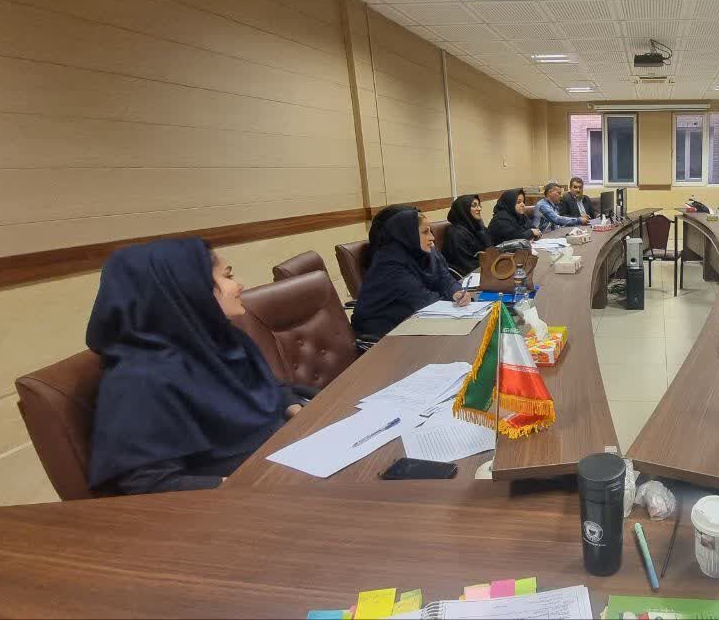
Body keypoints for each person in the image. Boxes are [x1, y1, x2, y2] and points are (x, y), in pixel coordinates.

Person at [85, 238, 304, 495]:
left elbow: (270, 386)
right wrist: (250, 486)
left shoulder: (220, 339)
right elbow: (149, 484)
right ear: (187, 288)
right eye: (228, 276)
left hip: (288, 456)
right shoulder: (138, 379)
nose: (239, 285)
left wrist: (297, 411)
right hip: (246, 495)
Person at [351, 207, 468, 338]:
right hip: (384, 332)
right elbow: (424, 300)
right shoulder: (389, 262)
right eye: (425, 232)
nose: (432, 237)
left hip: (414, 320)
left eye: (430, 231)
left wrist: (456, 292)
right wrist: (454, 302)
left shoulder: (424, 252)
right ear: (408, 234)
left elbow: (445, 279)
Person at [441, 194, 490, 277]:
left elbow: (490, 249)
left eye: (479, 205)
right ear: (464, 210)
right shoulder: (455, 234)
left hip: (483, 268)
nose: (479, 209)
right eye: (474, 206)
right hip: (467, 276)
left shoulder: (476, 227)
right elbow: (466, 264)